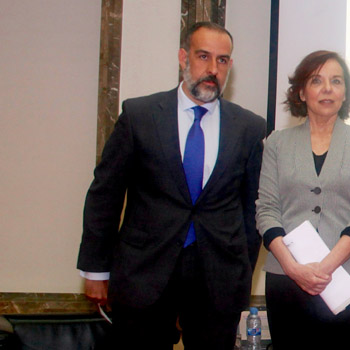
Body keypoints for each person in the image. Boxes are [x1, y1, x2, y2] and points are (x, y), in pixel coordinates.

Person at [76, 22, 265, 349]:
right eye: (203, 56)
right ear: (183, 57)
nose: (212, 69)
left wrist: (240, 270)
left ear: (230, 66)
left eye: (222, 60)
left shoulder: (249, 127)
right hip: (143, 273)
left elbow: (251, 209)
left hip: (217, 277)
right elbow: (105, 194)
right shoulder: (140, 115)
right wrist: (95, 269)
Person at [255, 50, 350, 349]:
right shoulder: (276, 142)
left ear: (345, 92)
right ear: (301, 91)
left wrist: (325, 267)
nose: (327, 88)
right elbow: (266, 210)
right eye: (317, 80)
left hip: (345, 277)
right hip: (286, 278)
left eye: (336, 81)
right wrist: (295, 268)